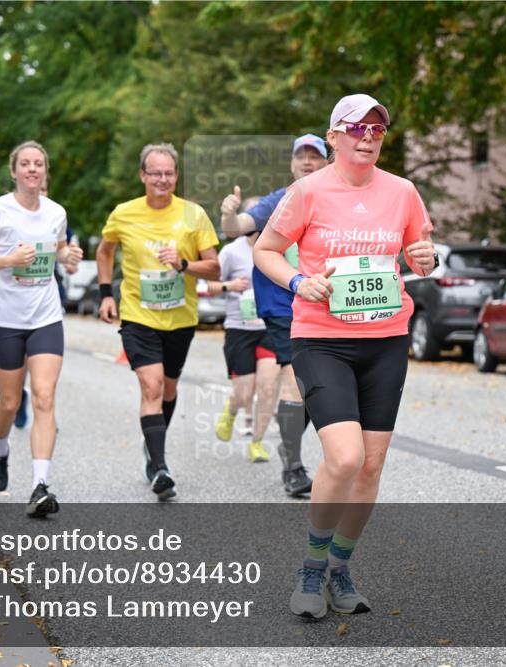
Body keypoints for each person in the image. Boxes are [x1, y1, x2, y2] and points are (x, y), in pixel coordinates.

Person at [252, 94, 437, 618]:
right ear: (334, 136)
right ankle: (310, 569)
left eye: (378, 129)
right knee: (346, 456)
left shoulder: (402, 192)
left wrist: (426, 258)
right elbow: (265, 250)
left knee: (372, 465)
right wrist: (297, 281)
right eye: (357, 128)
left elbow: (420, 257)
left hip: (385, 339)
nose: (368, 136)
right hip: (322, 339)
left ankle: (340, 566)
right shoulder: (306, 191)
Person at [0, 140, 82, 518]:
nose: (32, 169)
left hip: (45, 316)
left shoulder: (56, 212)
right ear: (14, 171)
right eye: (25, 164)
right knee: (10, 403)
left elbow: (59, 249)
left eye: (39, 164)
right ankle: (0, 447)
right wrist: (8, 260)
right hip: (5, 320)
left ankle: (39, 486)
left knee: (44, 397)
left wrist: (68, 256)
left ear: (45, 172)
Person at [96, 143, 220, 501]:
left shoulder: (194, 215)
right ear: (142, 176)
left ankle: (152, 446)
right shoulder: (123, 213)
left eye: (169, 173)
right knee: (150, 387)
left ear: (176, 176)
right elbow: (105, 251)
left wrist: (184, 265)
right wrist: (107, 293)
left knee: (167, 389)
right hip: (138, 314)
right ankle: (160, 467)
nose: (162, 179)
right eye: (155, 173)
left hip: (180, 317)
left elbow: (213, 266)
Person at [220, 134, 330, 496]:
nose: (308, 162)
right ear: (292, 163)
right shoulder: (280, 199)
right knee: (297, 379)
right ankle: (294, 467)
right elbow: (237, 228)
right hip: (284, 305)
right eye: (302, 156)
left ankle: (288, 444)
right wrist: (228, 215)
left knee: (317, 386)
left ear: (328, 161)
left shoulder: (337, 198)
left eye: (315, 156)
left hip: (329, 304)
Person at [207, 214, 280, 464]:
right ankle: (231, 410)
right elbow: (209, 286)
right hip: (239, 329)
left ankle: (257, 443)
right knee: (244, 391)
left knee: (268, 388)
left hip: (270, 327)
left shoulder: (280, 249)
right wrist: (230, 286)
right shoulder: (230, 252)